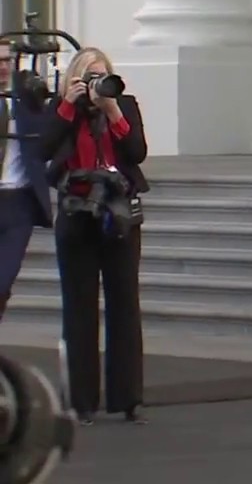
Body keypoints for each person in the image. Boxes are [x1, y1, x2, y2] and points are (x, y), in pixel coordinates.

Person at [39, 47, 149, 426]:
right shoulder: (62, 108)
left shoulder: (124, 104)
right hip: (77, 212)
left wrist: (113, 109)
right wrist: (68, 106)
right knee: (79, 307)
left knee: (124, 303)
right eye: (89, 77)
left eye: (102, 76)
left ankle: (128, 398)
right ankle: (82, 400)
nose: (95, 85)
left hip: (117, 214)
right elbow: (43, 149)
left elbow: (137, 151)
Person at [0, 39, 53, 321]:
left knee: (3, 279)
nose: (4, 67)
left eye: (8, 60)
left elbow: (48, 136)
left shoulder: (26, 98)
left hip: (17, 201)